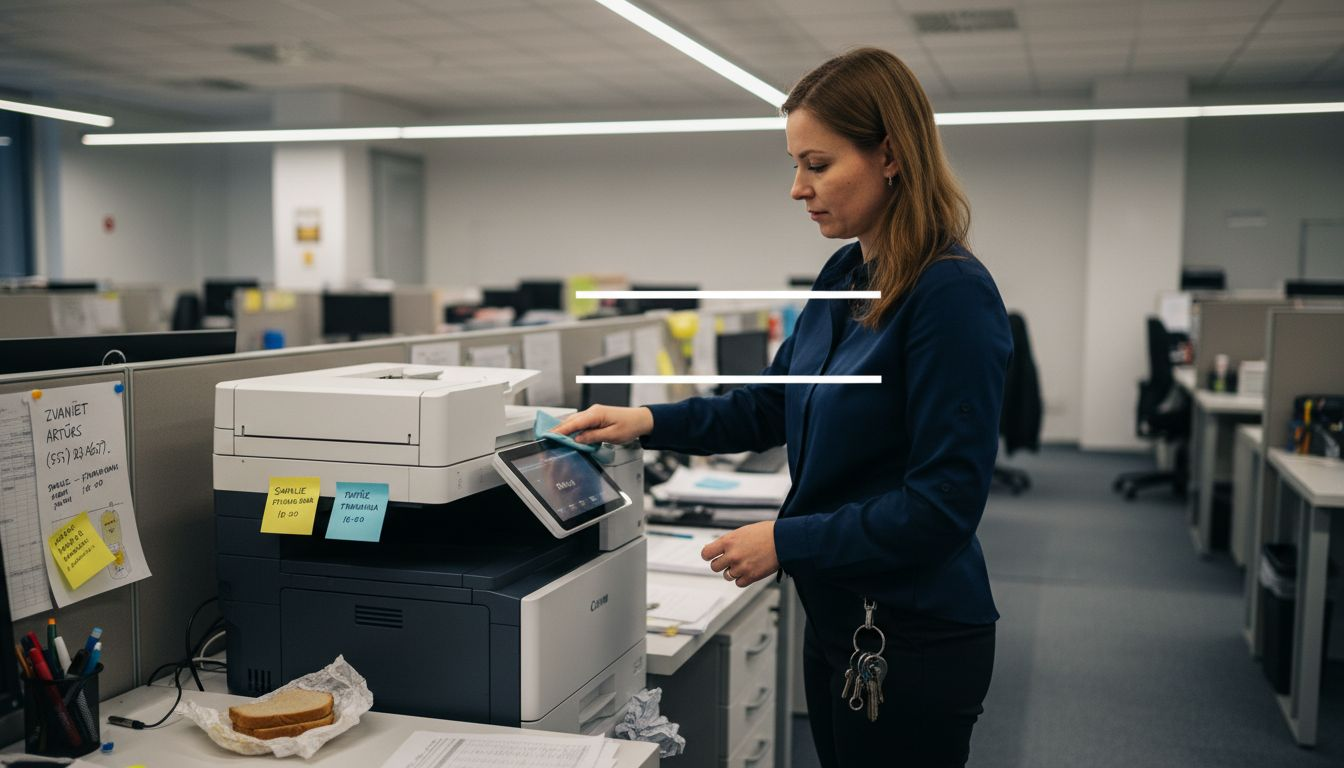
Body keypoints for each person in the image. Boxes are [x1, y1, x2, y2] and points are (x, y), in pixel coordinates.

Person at [551, 47, 1011, 768]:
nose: (798, 188)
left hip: (910, 634)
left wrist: (787, 542)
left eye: (818, 164)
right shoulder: (848, 271)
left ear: (890, 156)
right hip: (840, 614)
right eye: (794, 165)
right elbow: (770, 406)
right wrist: (648, 420)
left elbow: (942, 507)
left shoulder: (951, 295)